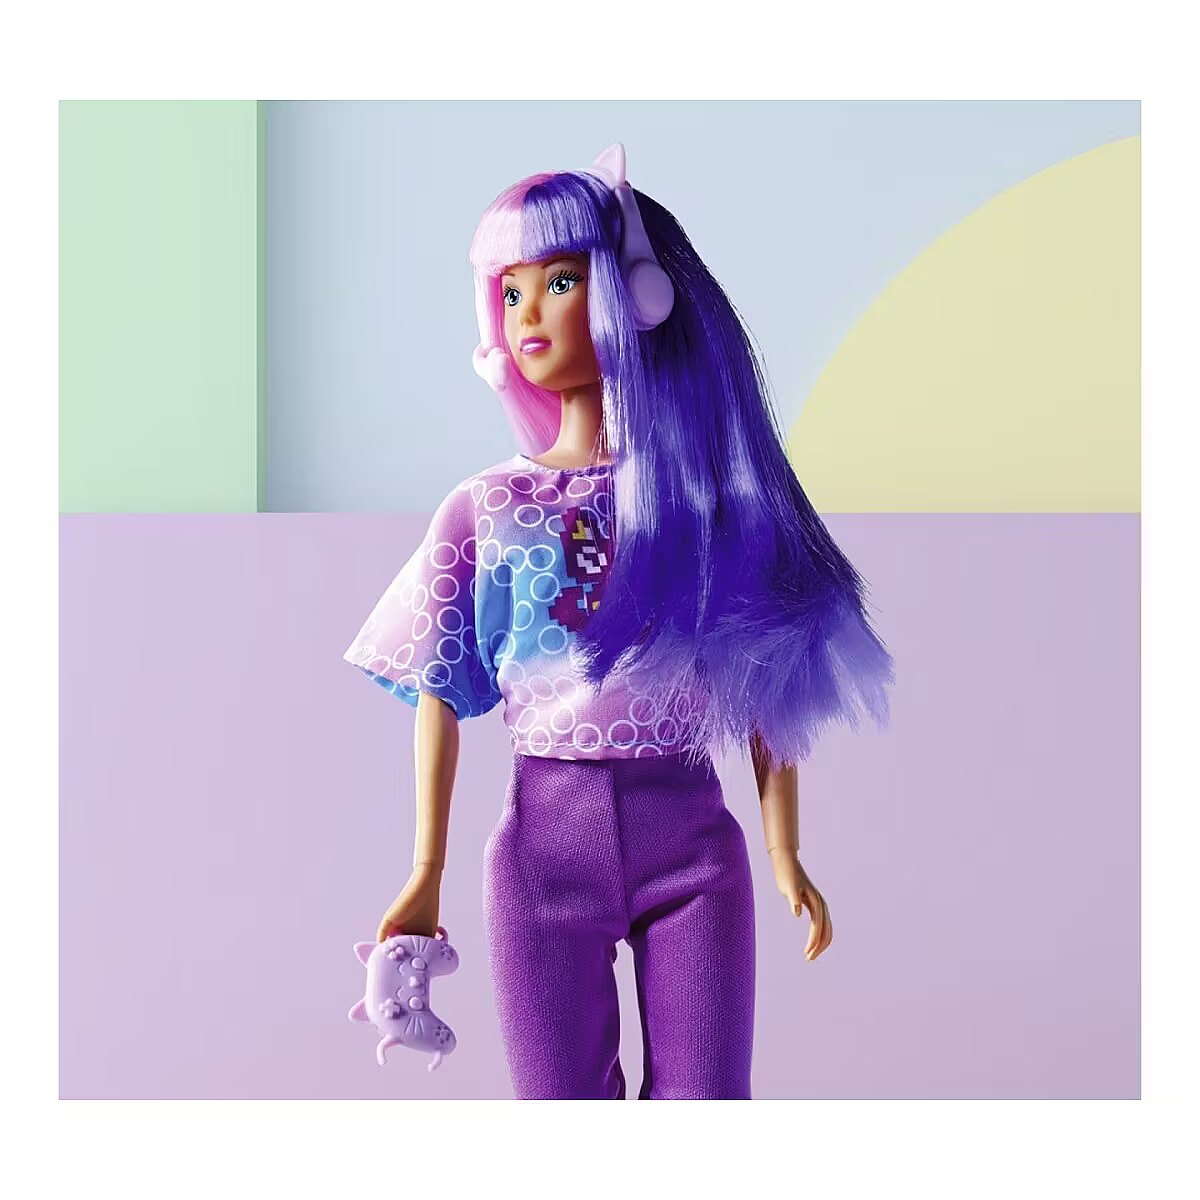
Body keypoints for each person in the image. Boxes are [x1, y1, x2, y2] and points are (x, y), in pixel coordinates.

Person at [343, 143, 894, 1099]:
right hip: (540, 847)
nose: (527, 315)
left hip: (693, 845)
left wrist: (784, 849)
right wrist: (425, 866)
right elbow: (438, 688)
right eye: (510, 292)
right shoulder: (490, 507)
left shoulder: (701, 504)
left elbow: (764, 682)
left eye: (559, 283)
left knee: (706, 1100)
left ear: (637, 296)